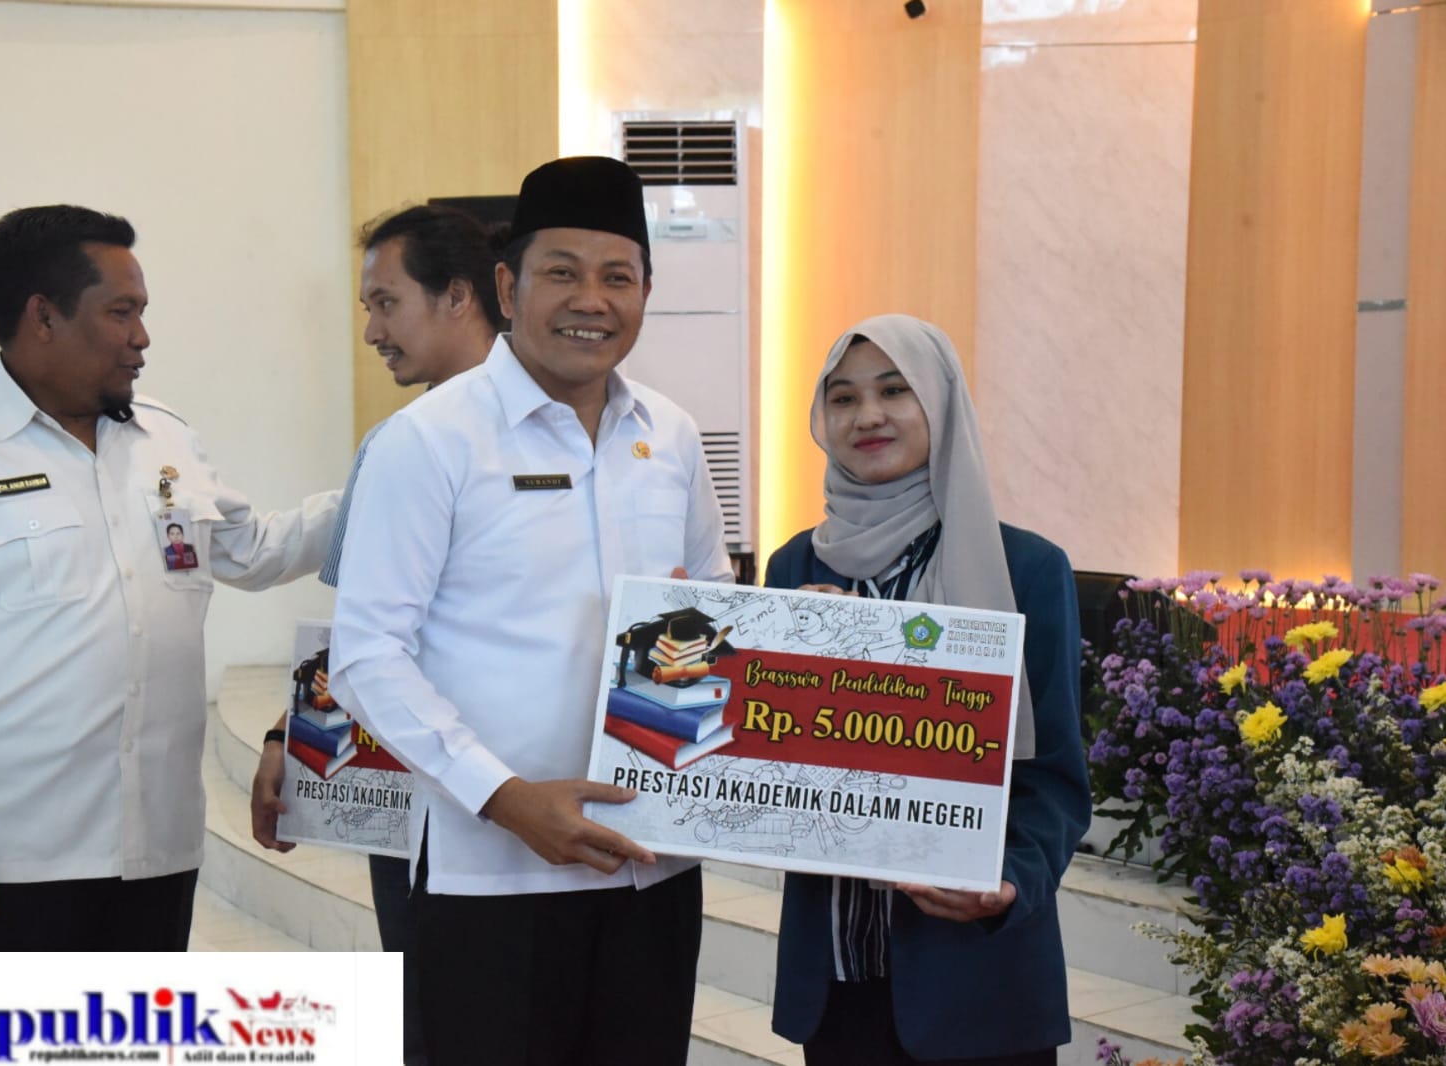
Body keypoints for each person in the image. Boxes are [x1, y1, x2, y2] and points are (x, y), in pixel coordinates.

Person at [328, 156, 733, 1066]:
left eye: (617, 276)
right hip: (489, 879)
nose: (591, 299)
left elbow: (709, 613)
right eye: (561, 272)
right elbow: (367, 653)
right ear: (508, 288)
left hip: (651, 865)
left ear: (646, 292)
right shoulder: (428, 441)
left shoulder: (668, 435)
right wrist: (505, 800)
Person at [0, 205, 339, 951]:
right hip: (3, 861)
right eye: (121, 312)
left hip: (157, 847)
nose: (142, 337)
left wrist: (387, 480)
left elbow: (256, 550)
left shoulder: (165, 438)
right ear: (43, 316)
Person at [764, 314, 1091, 1065]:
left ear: (940, 404)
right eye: (842, 397)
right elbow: (769, 765)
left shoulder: (1027, 568)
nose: (866, 416)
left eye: (893, 390)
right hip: (838, 978)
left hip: (975, 975)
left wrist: (1010, 881)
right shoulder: (794, 569)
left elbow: (1055, 778)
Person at [249, 203, 503, 1066]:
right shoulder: (393, 443)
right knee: (428, 1022)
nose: (371, 332)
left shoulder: (566, 431)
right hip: (411, 800)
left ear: (458, 296)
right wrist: (289, 733)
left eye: (385, 304)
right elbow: (360, 633)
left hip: (521, 800)